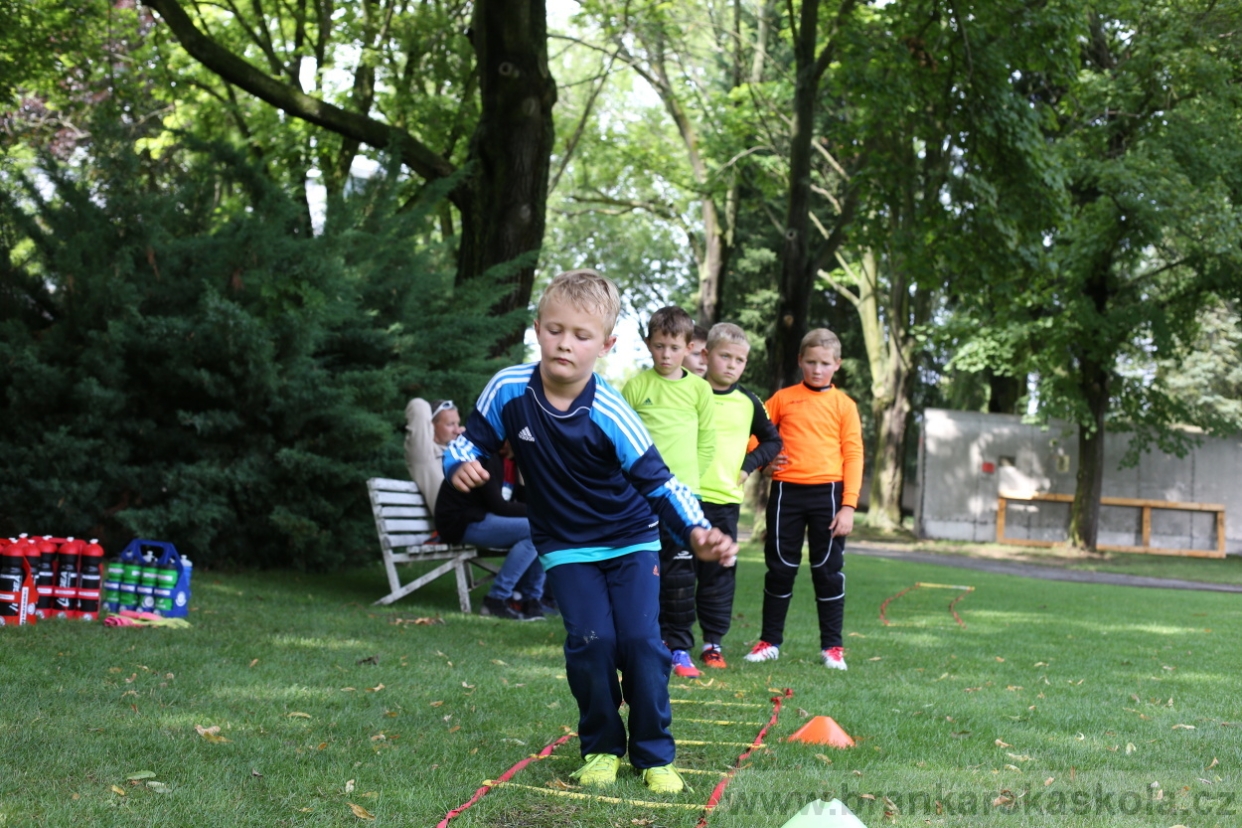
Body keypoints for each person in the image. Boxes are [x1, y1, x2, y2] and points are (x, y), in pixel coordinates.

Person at [445, 269, 737, 795]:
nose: (565, 343)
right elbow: (472, 440)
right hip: (565, 545)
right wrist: (457, 462)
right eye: (555, 330)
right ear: (537, 328)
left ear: (606, 345)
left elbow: (661, 482)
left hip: (630, 539)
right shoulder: (509, 388)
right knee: (591, 642)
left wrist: (697, 529)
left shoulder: (610, 410)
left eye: (582, 336)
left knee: (643, 643)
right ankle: (601, 747)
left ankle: (654, 756)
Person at [744, 328, 863, 671]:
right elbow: (755, 434)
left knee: (827, 571)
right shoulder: (782, 398)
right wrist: (763, 463)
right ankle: (769, 641)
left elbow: (854, 455)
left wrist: (849, 506)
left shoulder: (845, 406)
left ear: (837, 365)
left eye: (825, 363)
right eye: (810, 362)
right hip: (786, 493)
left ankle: (832, 647)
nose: (817, 369)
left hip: (829, 494)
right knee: (780, 567)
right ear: (800, 361)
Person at [621, 306, 716, 679]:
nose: (665, 354)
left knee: (678, 578)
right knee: (640, 572)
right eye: (659, 346)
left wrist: (688, 483)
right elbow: (619, 442)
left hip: (683, 497)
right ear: (648, 344)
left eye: (674, 347)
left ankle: (679, 648)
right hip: (638, 499)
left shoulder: (699, 389)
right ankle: (642, 644)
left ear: (689, 347)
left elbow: (707, 442)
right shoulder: (636, 386)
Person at [696, 323, 782, 668]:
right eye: (725, 356)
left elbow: (773, 441)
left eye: (740, 360)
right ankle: (671, 641)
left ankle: (712, 643)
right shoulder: (688, 391)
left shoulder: (748, 401)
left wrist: (749, 466)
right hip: (681, 497)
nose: (732, 365)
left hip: (724, 501)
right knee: (677, 573)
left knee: (719, 573)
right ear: (706, 355)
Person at [434, 442, 547, 621]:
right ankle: (496, 599)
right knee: (534, 530)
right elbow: (500, 506)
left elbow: (522, 502)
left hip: (483, 518)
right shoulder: (488, 457)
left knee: (544, 529)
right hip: (461, 521)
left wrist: (524, 478)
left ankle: (529, 600)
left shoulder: (514, 463)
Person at [404, 398, 464, 515]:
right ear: (431, 426)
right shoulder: (424, 454)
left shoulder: (458, 452)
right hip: (458, 525)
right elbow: (418, 406)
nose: (457, 430)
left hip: (480, 517)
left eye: (458, 423)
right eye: (450, 424)